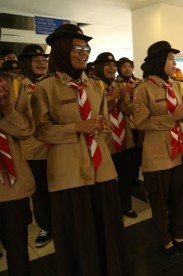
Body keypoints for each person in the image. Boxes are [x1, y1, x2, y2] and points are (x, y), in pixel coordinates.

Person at [34, 24, 126, 275]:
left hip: (101, 168)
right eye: (77, 48)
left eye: (86, 48)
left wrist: (101, 125)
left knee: (105, 226)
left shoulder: (95, 86)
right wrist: (78, 126)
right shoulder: (46, 88)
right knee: (79, 232)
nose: (84, 53)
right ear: (62, 49)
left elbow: (103, 122)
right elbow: (41, 131)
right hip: (69, 172)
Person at [132, 40, 183, 258]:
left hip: (178, 153)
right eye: (171, 59)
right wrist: (172, 117)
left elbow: (180, 119)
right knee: (160, 203)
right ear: (159, 61)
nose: (174, 63)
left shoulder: (175, 86)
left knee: (180, 198)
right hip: (158, 155)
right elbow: (141, 123)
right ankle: (165, 240)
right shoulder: (143, 89)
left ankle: (178, 235)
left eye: (174, 59)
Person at [0, 66, 35, 276]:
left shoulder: (12, 84)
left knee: (17, 249)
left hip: (12, 185)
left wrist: (6, 109)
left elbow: (27, 130)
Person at [94, 52, 138, 218]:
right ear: (99, 67)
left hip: (124, 138)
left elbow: (127, 111)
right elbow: (96, 111)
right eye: (107, 65)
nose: (111, 68)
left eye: (113, 65)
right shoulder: (93, 87)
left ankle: (126, 206)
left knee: (125, 175)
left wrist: (128, 99)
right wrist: (113, 99)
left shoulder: (119, 87)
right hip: (106, 141)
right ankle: (110, 209)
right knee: (107, 179)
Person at [18, 44, 53, 248]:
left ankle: (61, 222)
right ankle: (46, 225)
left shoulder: (51, 83)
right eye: (35, 60)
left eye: (43, 60)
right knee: (39, 192)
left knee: (58, 187)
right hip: (33, 149)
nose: (41, 63)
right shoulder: (17, 87)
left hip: (56, 147)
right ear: (25, 64)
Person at [116, 57, 143, 190]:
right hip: (125, 123)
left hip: (138, 122)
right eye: (124, 66)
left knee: (138, 153)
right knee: (128, 154)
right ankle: (126, 178)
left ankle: (135, 176)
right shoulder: (116, 84)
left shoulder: (138, 82)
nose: (127, 69)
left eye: (130, 66)